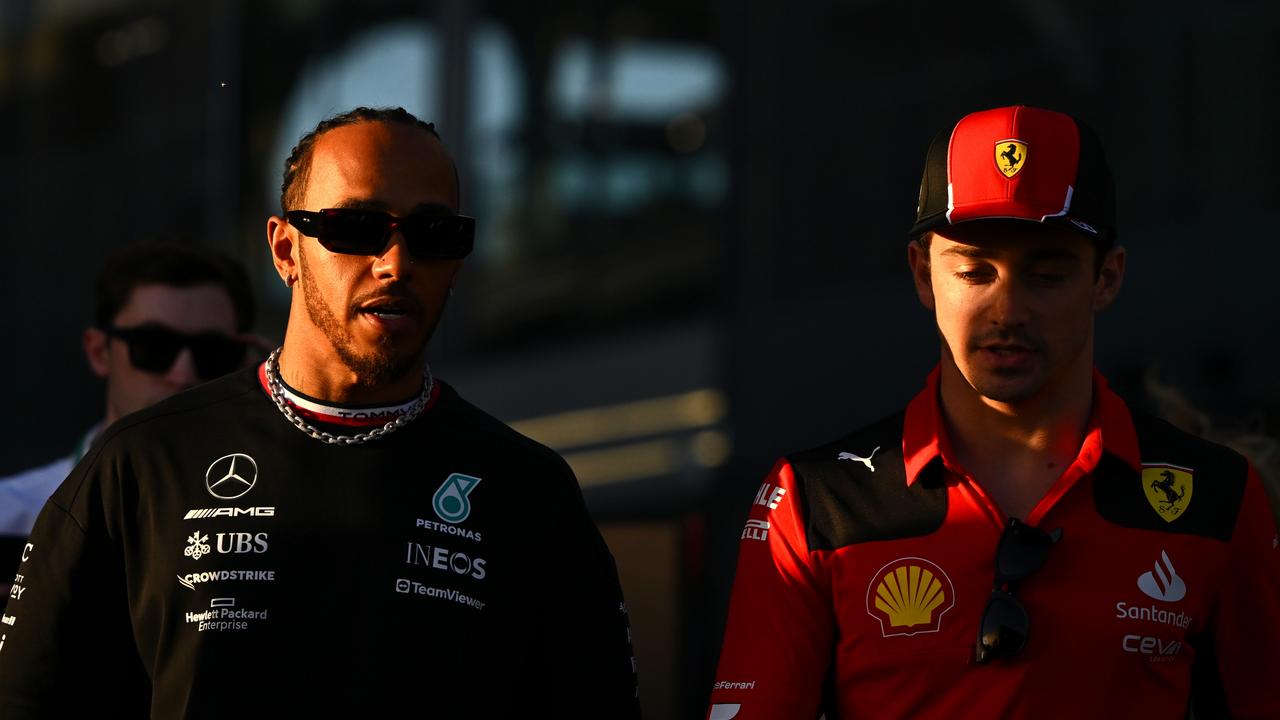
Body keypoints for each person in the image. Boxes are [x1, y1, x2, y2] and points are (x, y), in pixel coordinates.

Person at [0, 107, 640, 718]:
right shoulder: (141, 464)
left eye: (434, 235)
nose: (396, 264)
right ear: (284, 251)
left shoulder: (528, 491)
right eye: (356, 228)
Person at [706, 106, 1279, 719]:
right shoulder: (814, 502)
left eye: (1048, 274)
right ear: (924, 275)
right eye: (976, 272)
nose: (1008, 311)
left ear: (1106, 278)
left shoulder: (1219, 498)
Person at [0, 243, 256, 592]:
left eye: (212, 352)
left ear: (245, 361)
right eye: (153, 347)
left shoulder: (277, 519)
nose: (182, 374)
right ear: (99, 351)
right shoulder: (10, 516)